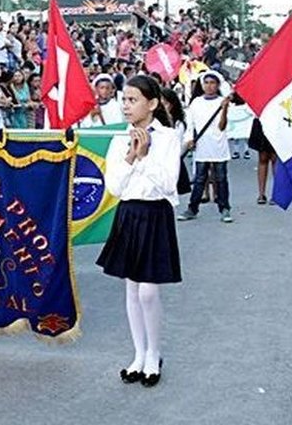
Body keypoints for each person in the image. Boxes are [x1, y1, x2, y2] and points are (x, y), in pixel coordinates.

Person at [95, 75, 181, 388]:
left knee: (148, 291)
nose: (126, 105)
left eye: (133, 100)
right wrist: (131, 155)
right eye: (125, 100)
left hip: (155, 213)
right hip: (128, 213)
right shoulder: (120, 139)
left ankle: (155, 353)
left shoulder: (169, 137)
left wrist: (144, 157)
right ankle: (139, 354)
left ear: (153, 103)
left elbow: (168, 184)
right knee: (131, 288)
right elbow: (115, 186)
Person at [178, 72, 233, 223]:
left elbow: (222, 127)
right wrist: (189, 139)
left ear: (218, 85)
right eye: (206, 82)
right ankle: (192, 208)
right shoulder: (196, 102)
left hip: (218, 145)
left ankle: (225, 208)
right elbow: (191, 124)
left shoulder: (223, 101)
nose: (209, 86)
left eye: (212, 83)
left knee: (221, 178)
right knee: (200, 178)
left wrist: (225, 109)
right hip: (202, 145)